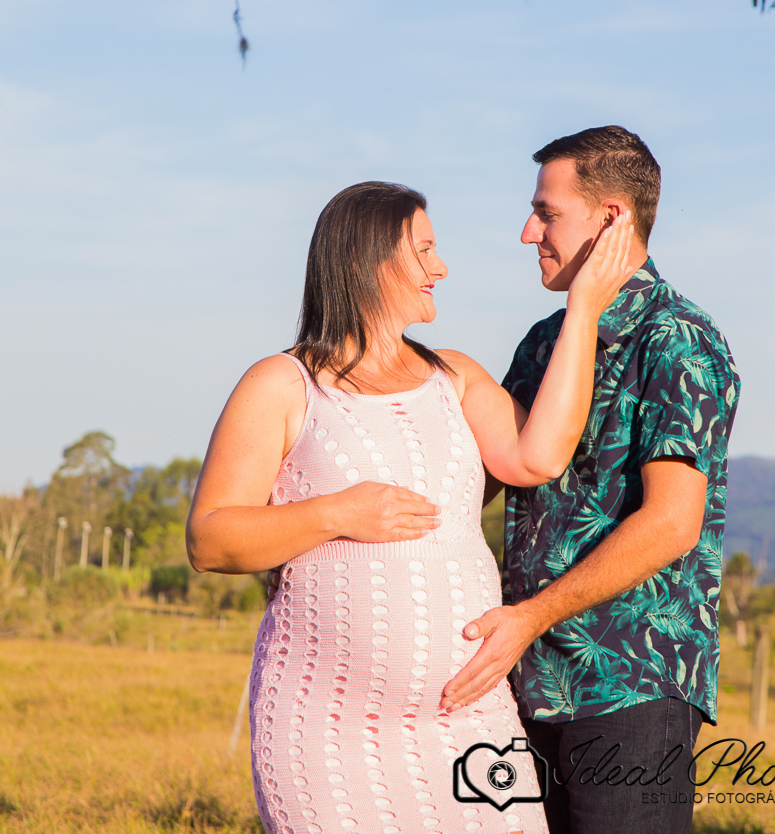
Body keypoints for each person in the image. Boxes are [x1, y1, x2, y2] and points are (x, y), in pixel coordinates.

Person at [186, 180, 634, 834]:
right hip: (324, 728)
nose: (440, 267)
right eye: (423, 250)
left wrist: (584, 308)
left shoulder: (454, 375)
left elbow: (538, 458)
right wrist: (335, 514)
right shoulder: (283, 383)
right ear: (366, 263)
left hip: (469, 722)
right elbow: (211, 540)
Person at [439, 127, 741, 834]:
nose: (526, 232)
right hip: (519, 684)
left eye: (545, 212)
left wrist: (530, 617)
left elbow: (672, 522)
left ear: (609, 218)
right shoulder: (544, 342)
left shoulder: (678, 339)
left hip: (629, 691)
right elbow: (478, 482)